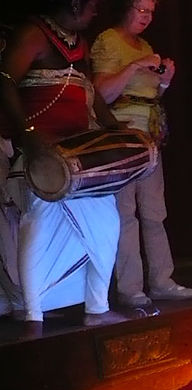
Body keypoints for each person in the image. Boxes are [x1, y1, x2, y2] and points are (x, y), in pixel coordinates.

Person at [0, 0, 128, 331]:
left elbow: (89, 90)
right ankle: (33, 315)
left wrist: (114, 128)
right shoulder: (33, 34)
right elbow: (4, 80)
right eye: (93, 6)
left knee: (107, 225)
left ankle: (97, 307)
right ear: (74, 3)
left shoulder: (78, 43)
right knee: (38, 229)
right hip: (44, 157)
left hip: (80, 159)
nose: (97, 12)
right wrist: (27, 134)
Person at [91, 0, 192, 314]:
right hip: (122, 135)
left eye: (151, 11)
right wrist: (135, 66)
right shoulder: (108, 40)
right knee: (125, 216)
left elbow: (151, 94)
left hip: (149, 136)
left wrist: (165, 80)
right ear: (125, 7)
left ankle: (162, 281)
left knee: (154, 213)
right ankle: (130, 289)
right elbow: (102, 94)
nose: (147, 17)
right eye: (142, 9)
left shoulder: (146, 44)